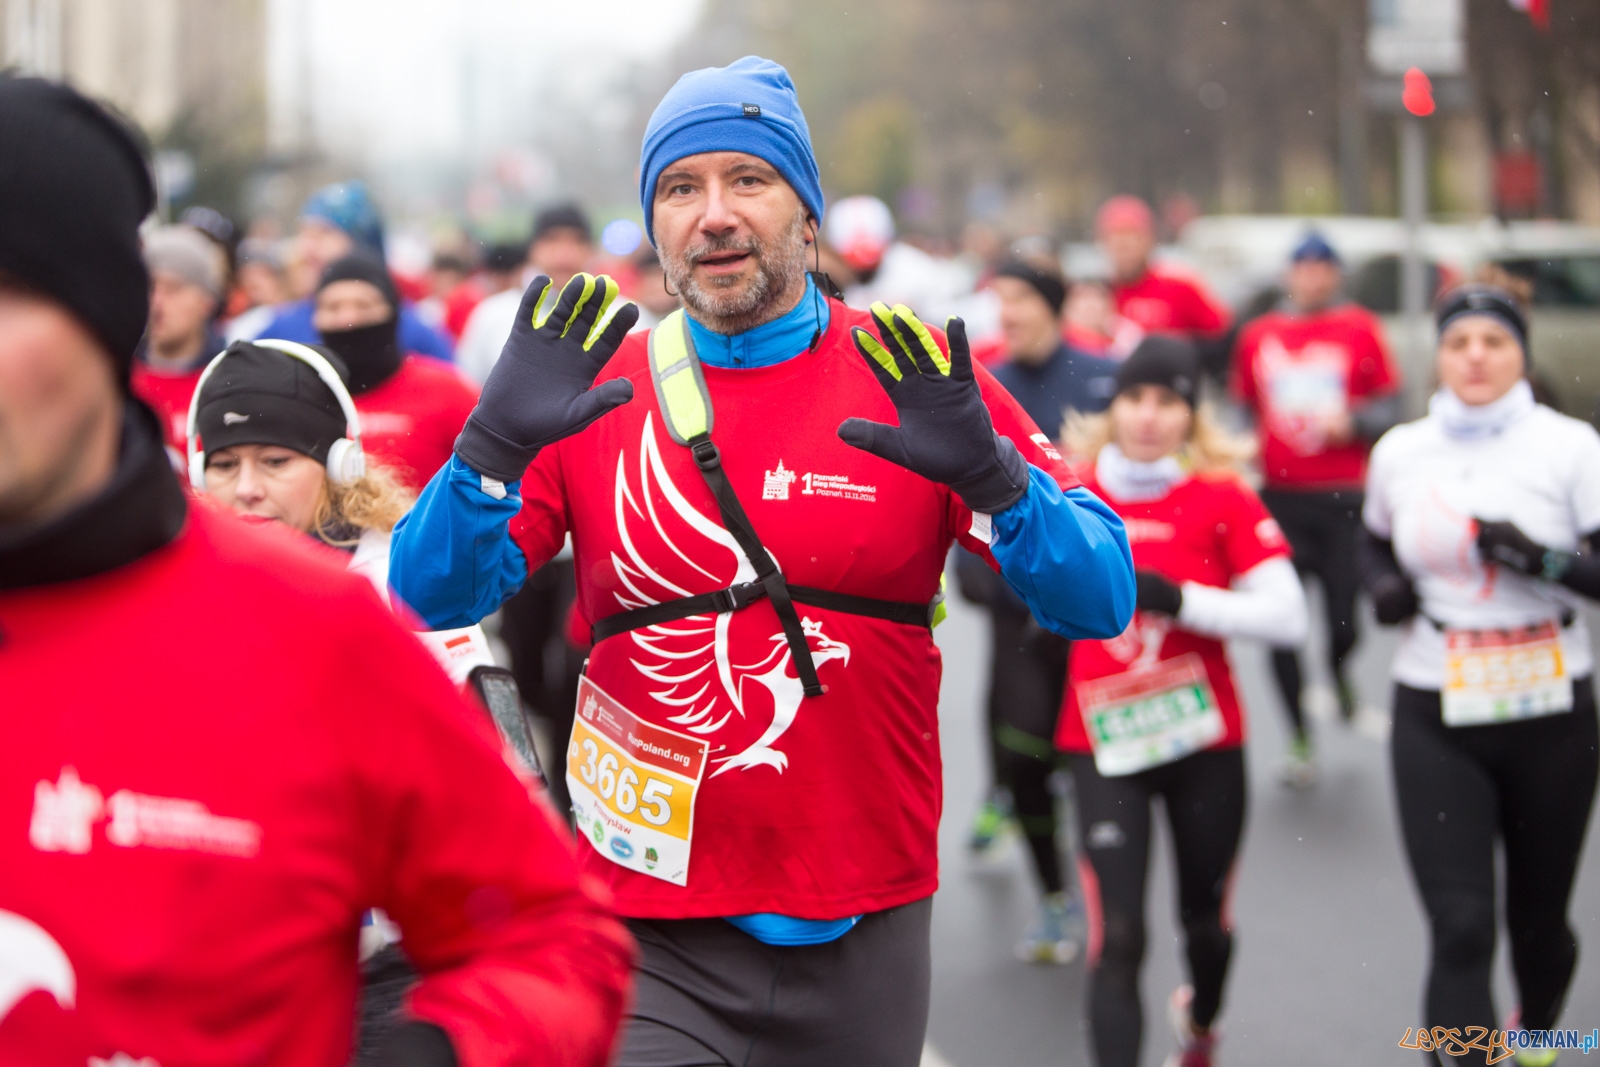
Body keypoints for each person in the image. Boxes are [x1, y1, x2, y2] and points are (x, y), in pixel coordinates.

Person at [388, 55, 1135, 1067]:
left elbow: (1100, 598)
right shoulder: (595, 390)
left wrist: (999, 482)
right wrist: (486, 452)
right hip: (644, 917)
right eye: (680, 189)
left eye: (749, 179)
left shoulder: (911, 376)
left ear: (807, 212)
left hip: (863, 913)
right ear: (653, 225)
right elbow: (426, 598)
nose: (714, 215)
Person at [0, 73, 631, 1066]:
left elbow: (553, 937)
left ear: (104, 321)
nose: (248, 487)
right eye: (227, 464)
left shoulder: (324, 625)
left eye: (9, 297)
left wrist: (434, 1051)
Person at [1361, 286, 1600, 1067]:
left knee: (1539, 923)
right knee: (1461, 925)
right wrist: (1382, 585)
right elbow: (1373, 542)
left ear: (1521, 353)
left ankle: (1539, 1030)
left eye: (1493, 341)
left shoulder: (1570, 446)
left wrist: (1543, 558)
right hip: (1436, 704)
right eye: (1458, 340)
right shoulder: (1401, 450)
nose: (1474, 356)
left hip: (1551, 710)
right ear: (1438, 353)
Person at [1056, 337, 1308, 1067]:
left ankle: (1200, 1023)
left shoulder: (1221, 495)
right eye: (1135, 397)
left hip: (1205, 744)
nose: (1148, 415)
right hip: (1102, 744)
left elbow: (1288, 617)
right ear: (1114, 406)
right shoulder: (1071, 490)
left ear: (1191, 415)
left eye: (1168, 401)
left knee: (1205, 924)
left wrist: (1182, 600)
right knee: (1120, 936)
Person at [958, 258, 1120, 963]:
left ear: (1054, 305)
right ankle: (1053, 895)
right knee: (1021, 755)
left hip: (1087, 613)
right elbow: (959, 488)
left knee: (1097, 767)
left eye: (1021, 299)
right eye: (1002, 299)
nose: (1009, 313)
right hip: (1013, 611)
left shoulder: (1104, 376)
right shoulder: (982, 378)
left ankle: (1116, 906)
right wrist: (976, 575)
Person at [1231, 232, 1402, 786]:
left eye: (1321, 267)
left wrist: (1354, 423)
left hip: (1342, 499)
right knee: (1280, 622)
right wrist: (1241, 446)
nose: (1311, 277)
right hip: (1278, 500)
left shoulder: (1360, 328)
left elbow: (1392, 404)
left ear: (1335, 275)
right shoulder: (1260, 335)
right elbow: (1242, 407)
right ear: (1289, 274)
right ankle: (1299, 736)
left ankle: (1339, 667)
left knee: (1344, 622)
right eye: (1301, 266)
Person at [312, 251, 480, 490]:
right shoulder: (301, 395)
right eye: (333, 307)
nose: (348, 319)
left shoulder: (447, 391)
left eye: (363, 305)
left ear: (392, 312)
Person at [249, 181, 454, 362]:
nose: (308, 248)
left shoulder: (411, 331)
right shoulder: (281, 329)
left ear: (361, 243)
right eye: (305, 233)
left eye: (323, 234)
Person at [456, 203, 595, 385]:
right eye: (552, 240)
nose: (564, 253)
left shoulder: (620, 315)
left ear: (590, 250)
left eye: (576, 241)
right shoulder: (493, 313)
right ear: (532, 248)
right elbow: (468, 386)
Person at [1096, 196, 1231, 376]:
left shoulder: (1179, 285)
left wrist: (1176, 352)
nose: (1124, 247)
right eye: (1117, 239)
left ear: (1149, 240)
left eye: (1132, 237)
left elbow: (1221, 338)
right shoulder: (1096, 294)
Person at [130, 225, 230, 454]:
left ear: (207, 301)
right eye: (150, 287)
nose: (157, 302)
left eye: (173, 288)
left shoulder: (229, 380)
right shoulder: (118, 377)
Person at [226, 235, 291, 343]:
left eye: (262, 274)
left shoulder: (297, 314)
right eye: (247, 276)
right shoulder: (241, 324)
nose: (254, 281)